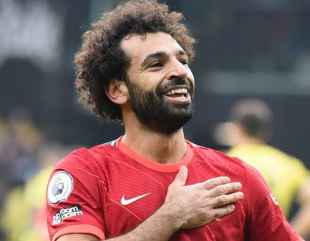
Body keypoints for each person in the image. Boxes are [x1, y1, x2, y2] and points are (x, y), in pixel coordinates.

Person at [45, 1, 303, 241]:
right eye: (156, 64)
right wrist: (171, 217)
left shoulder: (237, 179)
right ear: (117, 90)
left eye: (182, 60)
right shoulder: (85, 173)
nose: (180, 71)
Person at [214, 98, 310, 239]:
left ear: (238, 128)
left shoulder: (221, 162)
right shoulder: (288, 164)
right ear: (265, 131)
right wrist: (291, 234)